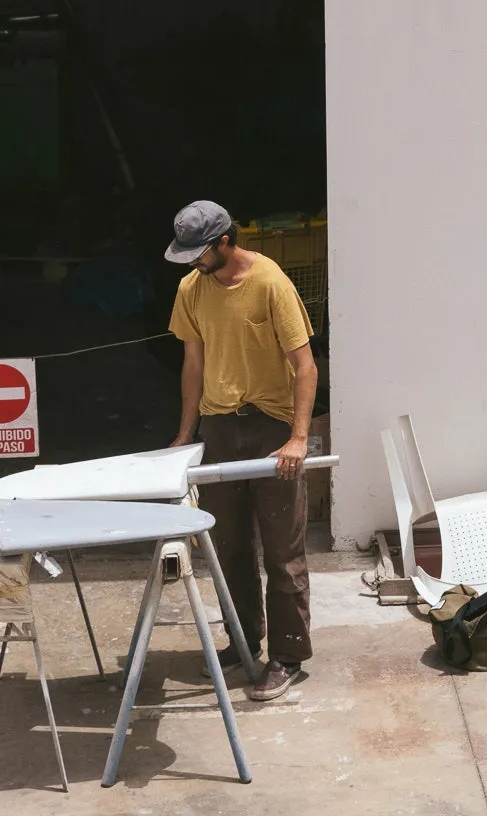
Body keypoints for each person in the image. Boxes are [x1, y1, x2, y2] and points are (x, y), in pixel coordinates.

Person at [166, 198, 317, 702]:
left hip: (270, 428)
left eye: (199, 253)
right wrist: (186, 436)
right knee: (226, 546)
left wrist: (297, 437)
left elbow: (305, 366)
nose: (192, 263)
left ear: (225, 242)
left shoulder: (270, 282)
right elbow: (193, 363)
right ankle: (243, 642)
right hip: (220, 430)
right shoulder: (192, 288)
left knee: (282, 550)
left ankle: (289, 656)